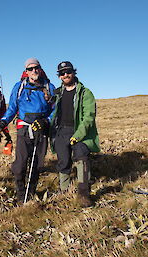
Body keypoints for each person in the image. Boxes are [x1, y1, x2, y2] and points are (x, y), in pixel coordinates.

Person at [0, 58, 55, 203]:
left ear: (40, 68)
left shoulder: (49, 87)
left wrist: (46, 121)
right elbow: (12, 108)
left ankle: (30, 193)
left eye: (36, 68)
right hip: (24, 129)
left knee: (36, 165)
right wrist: (2, 123)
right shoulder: (19, 87)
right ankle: (21, 194)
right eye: (30, 69)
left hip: (42, 130)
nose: (34, 71)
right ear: (26, 71)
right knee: (20, 165)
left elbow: (55, 109)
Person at [50, 61, 100, 207]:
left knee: (81, 158)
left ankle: (84, 194)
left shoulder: (85, 93)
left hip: (79, 131)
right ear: (59, 76)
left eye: (68, 72)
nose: (65, 75)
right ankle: (64, 191)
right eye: (62, 73)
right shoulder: (57, 93)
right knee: (63, 161)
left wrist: (78, 135)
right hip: (61, 131)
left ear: (74, 72)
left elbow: (89, 116)